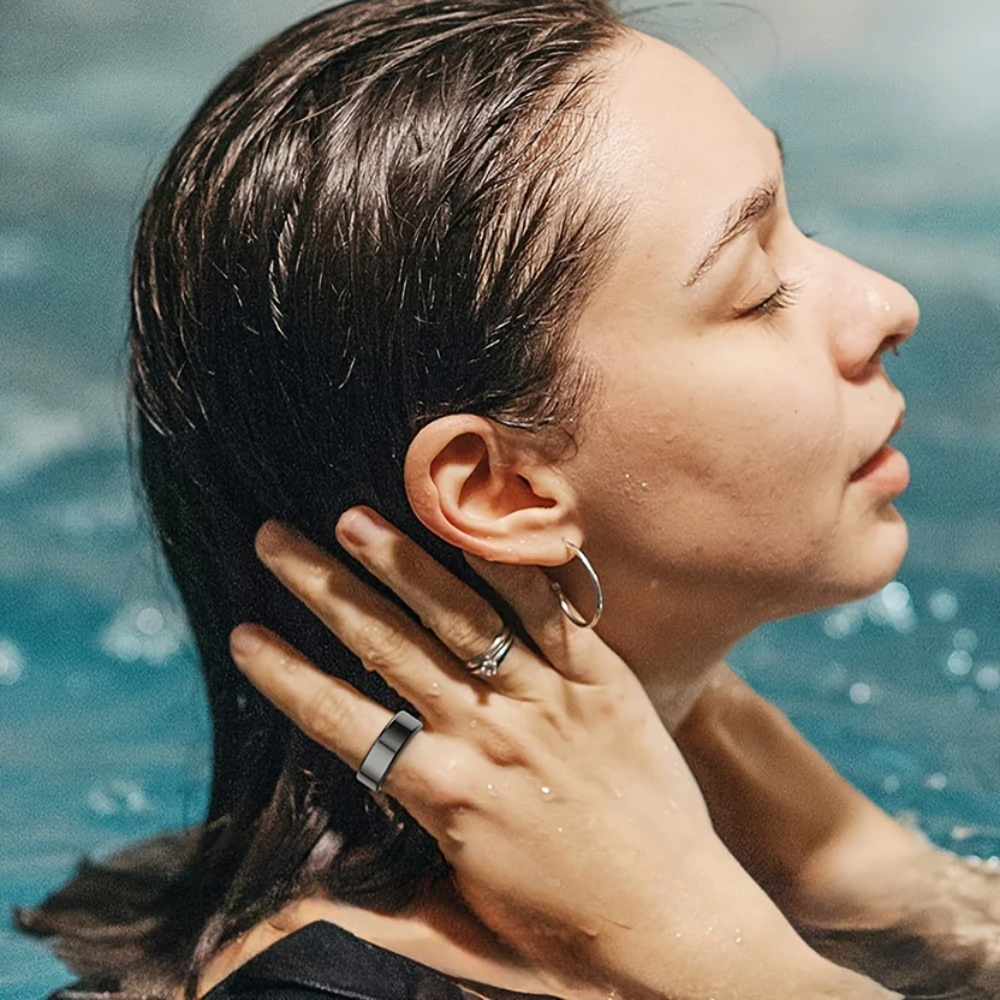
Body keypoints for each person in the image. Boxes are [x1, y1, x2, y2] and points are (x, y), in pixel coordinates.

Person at [14, 0, 1000, 997]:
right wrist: (712, 949)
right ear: (499, 487)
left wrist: (867, 869)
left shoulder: (747, 831)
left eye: (805, 224)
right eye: (755, 290)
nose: (886, 303)